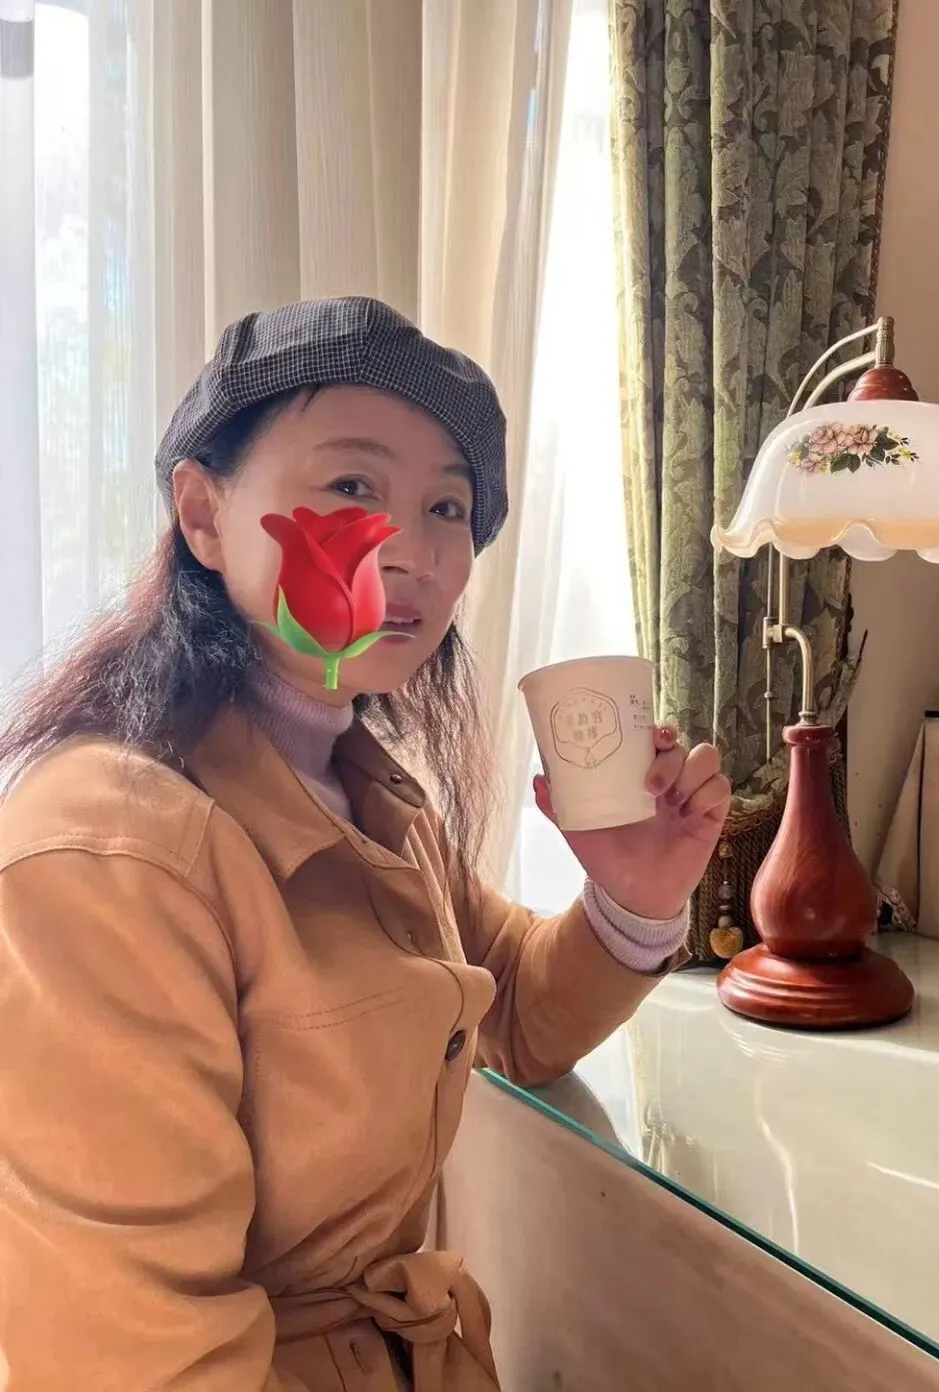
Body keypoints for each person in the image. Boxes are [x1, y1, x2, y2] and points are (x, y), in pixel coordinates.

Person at [0, 298, 731, 1391]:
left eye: (448, 506)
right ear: (204, 514)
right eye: (351, 486)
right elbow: (141, 1360)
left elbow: (513, 1014)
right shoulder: (109, 854)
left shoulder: (368, 792)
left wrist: (633, 899)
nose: (414, 550)